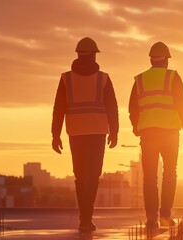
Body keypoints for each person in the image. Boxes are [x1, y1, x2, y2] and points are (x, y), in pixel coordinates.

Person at [51, 37, 119, 232]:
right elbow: (112, 107)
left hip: (76, 132)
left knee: (80, 176)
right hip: (97, 132)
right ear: (94, 55)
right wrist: (114, 132)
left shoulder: (66, 79)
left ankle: (84, 217)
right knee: (92, 176)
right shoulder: (103, 78)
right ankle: (86, 217)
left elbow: (58, 109)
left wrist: (56, 135)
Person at [129, 41, 183, 229]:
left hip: (148, 134)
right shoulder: (173, 77)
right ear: (166, 60)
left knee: (149, 177)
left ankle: (151, 218)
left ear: (151, 59)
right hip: (170, 133)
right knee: (169, 173)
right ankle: (165, 215)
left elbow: (133, 107)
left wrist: (136, 127)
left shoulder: (140, 79)